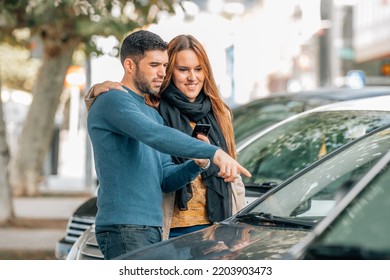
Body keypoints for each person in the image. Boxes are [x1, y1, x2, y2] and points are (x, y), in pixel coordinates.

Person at [86, 30, 250, 260]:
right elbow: (153, 134)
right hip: (125, 227)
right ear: (130, 65)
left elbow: (165, 177)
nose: (161, 72)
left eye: (164, 65)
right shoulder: (114, 99)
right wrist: (214, 153)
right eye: (155, 65)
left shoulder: (150, 112)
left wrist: (198, 163)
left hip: (151, 229)